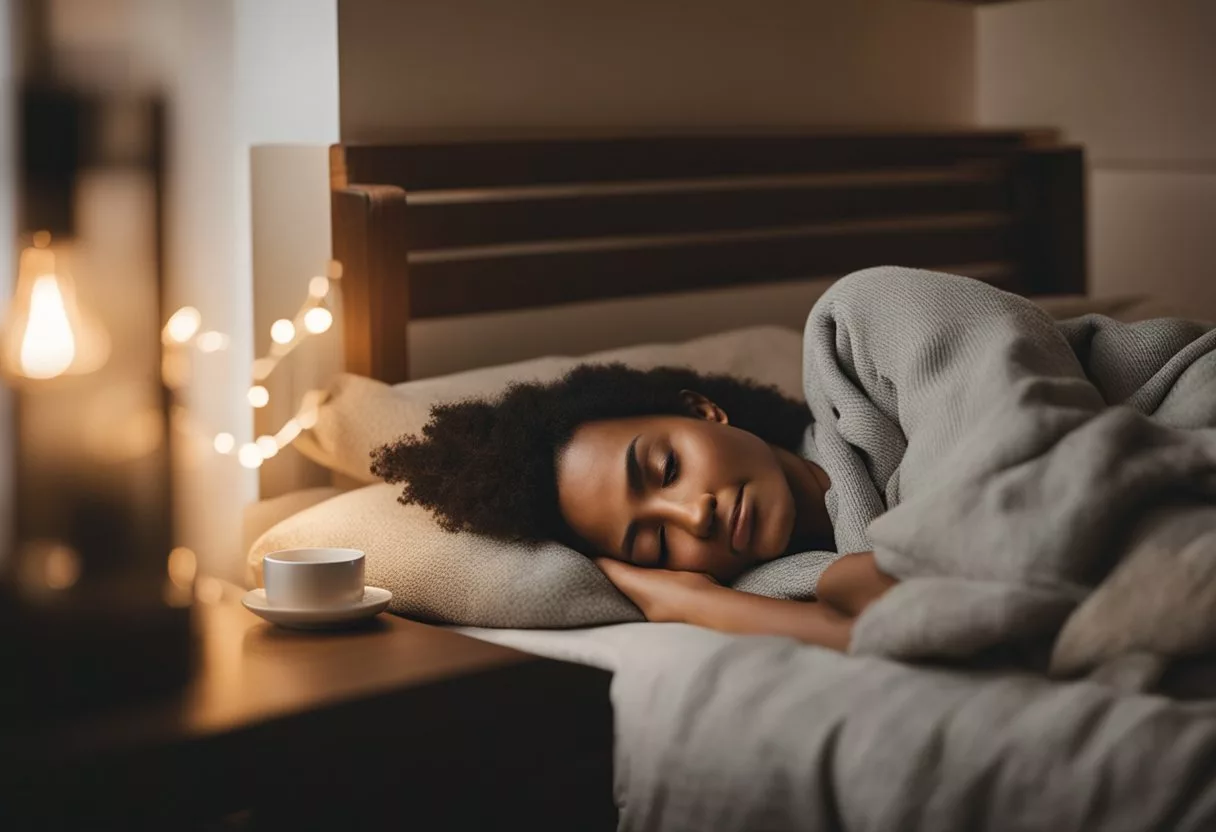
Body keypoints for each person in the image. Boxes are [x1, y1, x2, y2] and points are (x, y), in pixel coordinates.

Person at [370, 363, 896, 652]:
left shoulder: (862, 341)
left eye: (668, 469)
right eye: (656, 543)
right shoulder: (795, 588)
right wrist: (698, 605)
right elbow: (903, 624)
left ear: (703, 411)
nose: (695, 517)